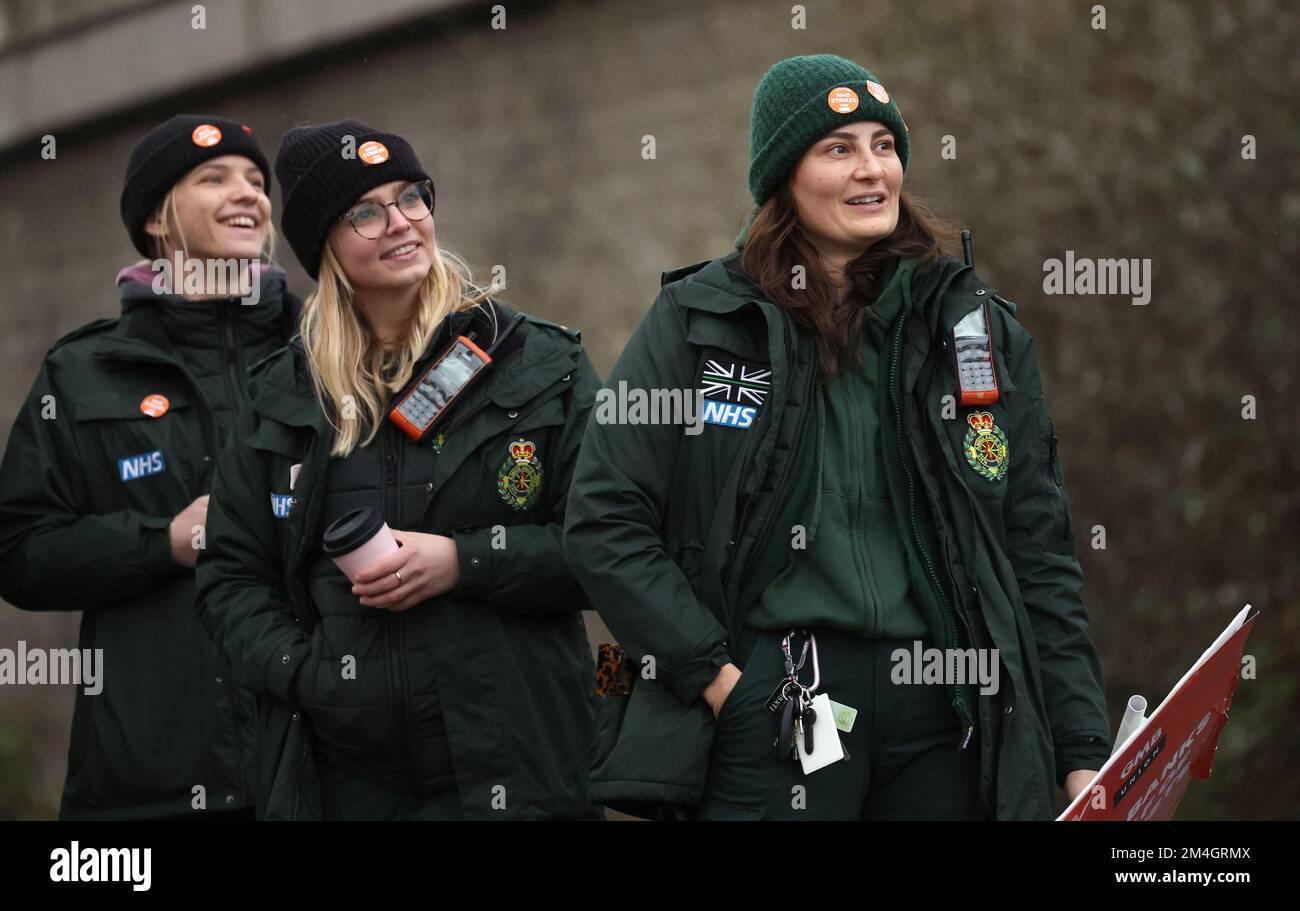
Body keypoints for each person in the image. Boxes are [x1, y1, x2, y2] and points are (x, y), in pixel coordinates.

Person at [565, 54, 1111, 820]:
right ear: (784, 176)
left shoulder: (974, 327)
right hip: (778, 700)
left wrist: (1082, 747)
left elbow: (1037, 549)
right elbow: (603, 519)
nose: (872, 169)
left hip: (945, 708)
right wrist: (722, 678)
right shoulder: (699, 321)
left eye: (884, 145)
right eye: (839, 148)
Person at [194, 120, 601, 820]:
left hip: (518, 767)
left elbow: (608, 544)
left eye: (413, 196)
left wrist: (462, 560)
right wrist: (304, 673)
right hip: (345, 783)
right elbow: (230, 574)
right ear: (326, 243)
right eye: (367, 211)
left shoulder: (537, 363)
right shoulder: (284, 395)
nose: (402, 223)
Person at [0, 114, 300, 819]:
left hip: (326, 779)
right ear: (158, 220)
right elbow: (16, 550)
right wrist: (161, 541)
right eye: (215, 178)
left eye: (257, 182)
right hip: (147, 792)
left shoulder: (322, 356)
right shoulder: (82, 370)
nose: (249, 194)